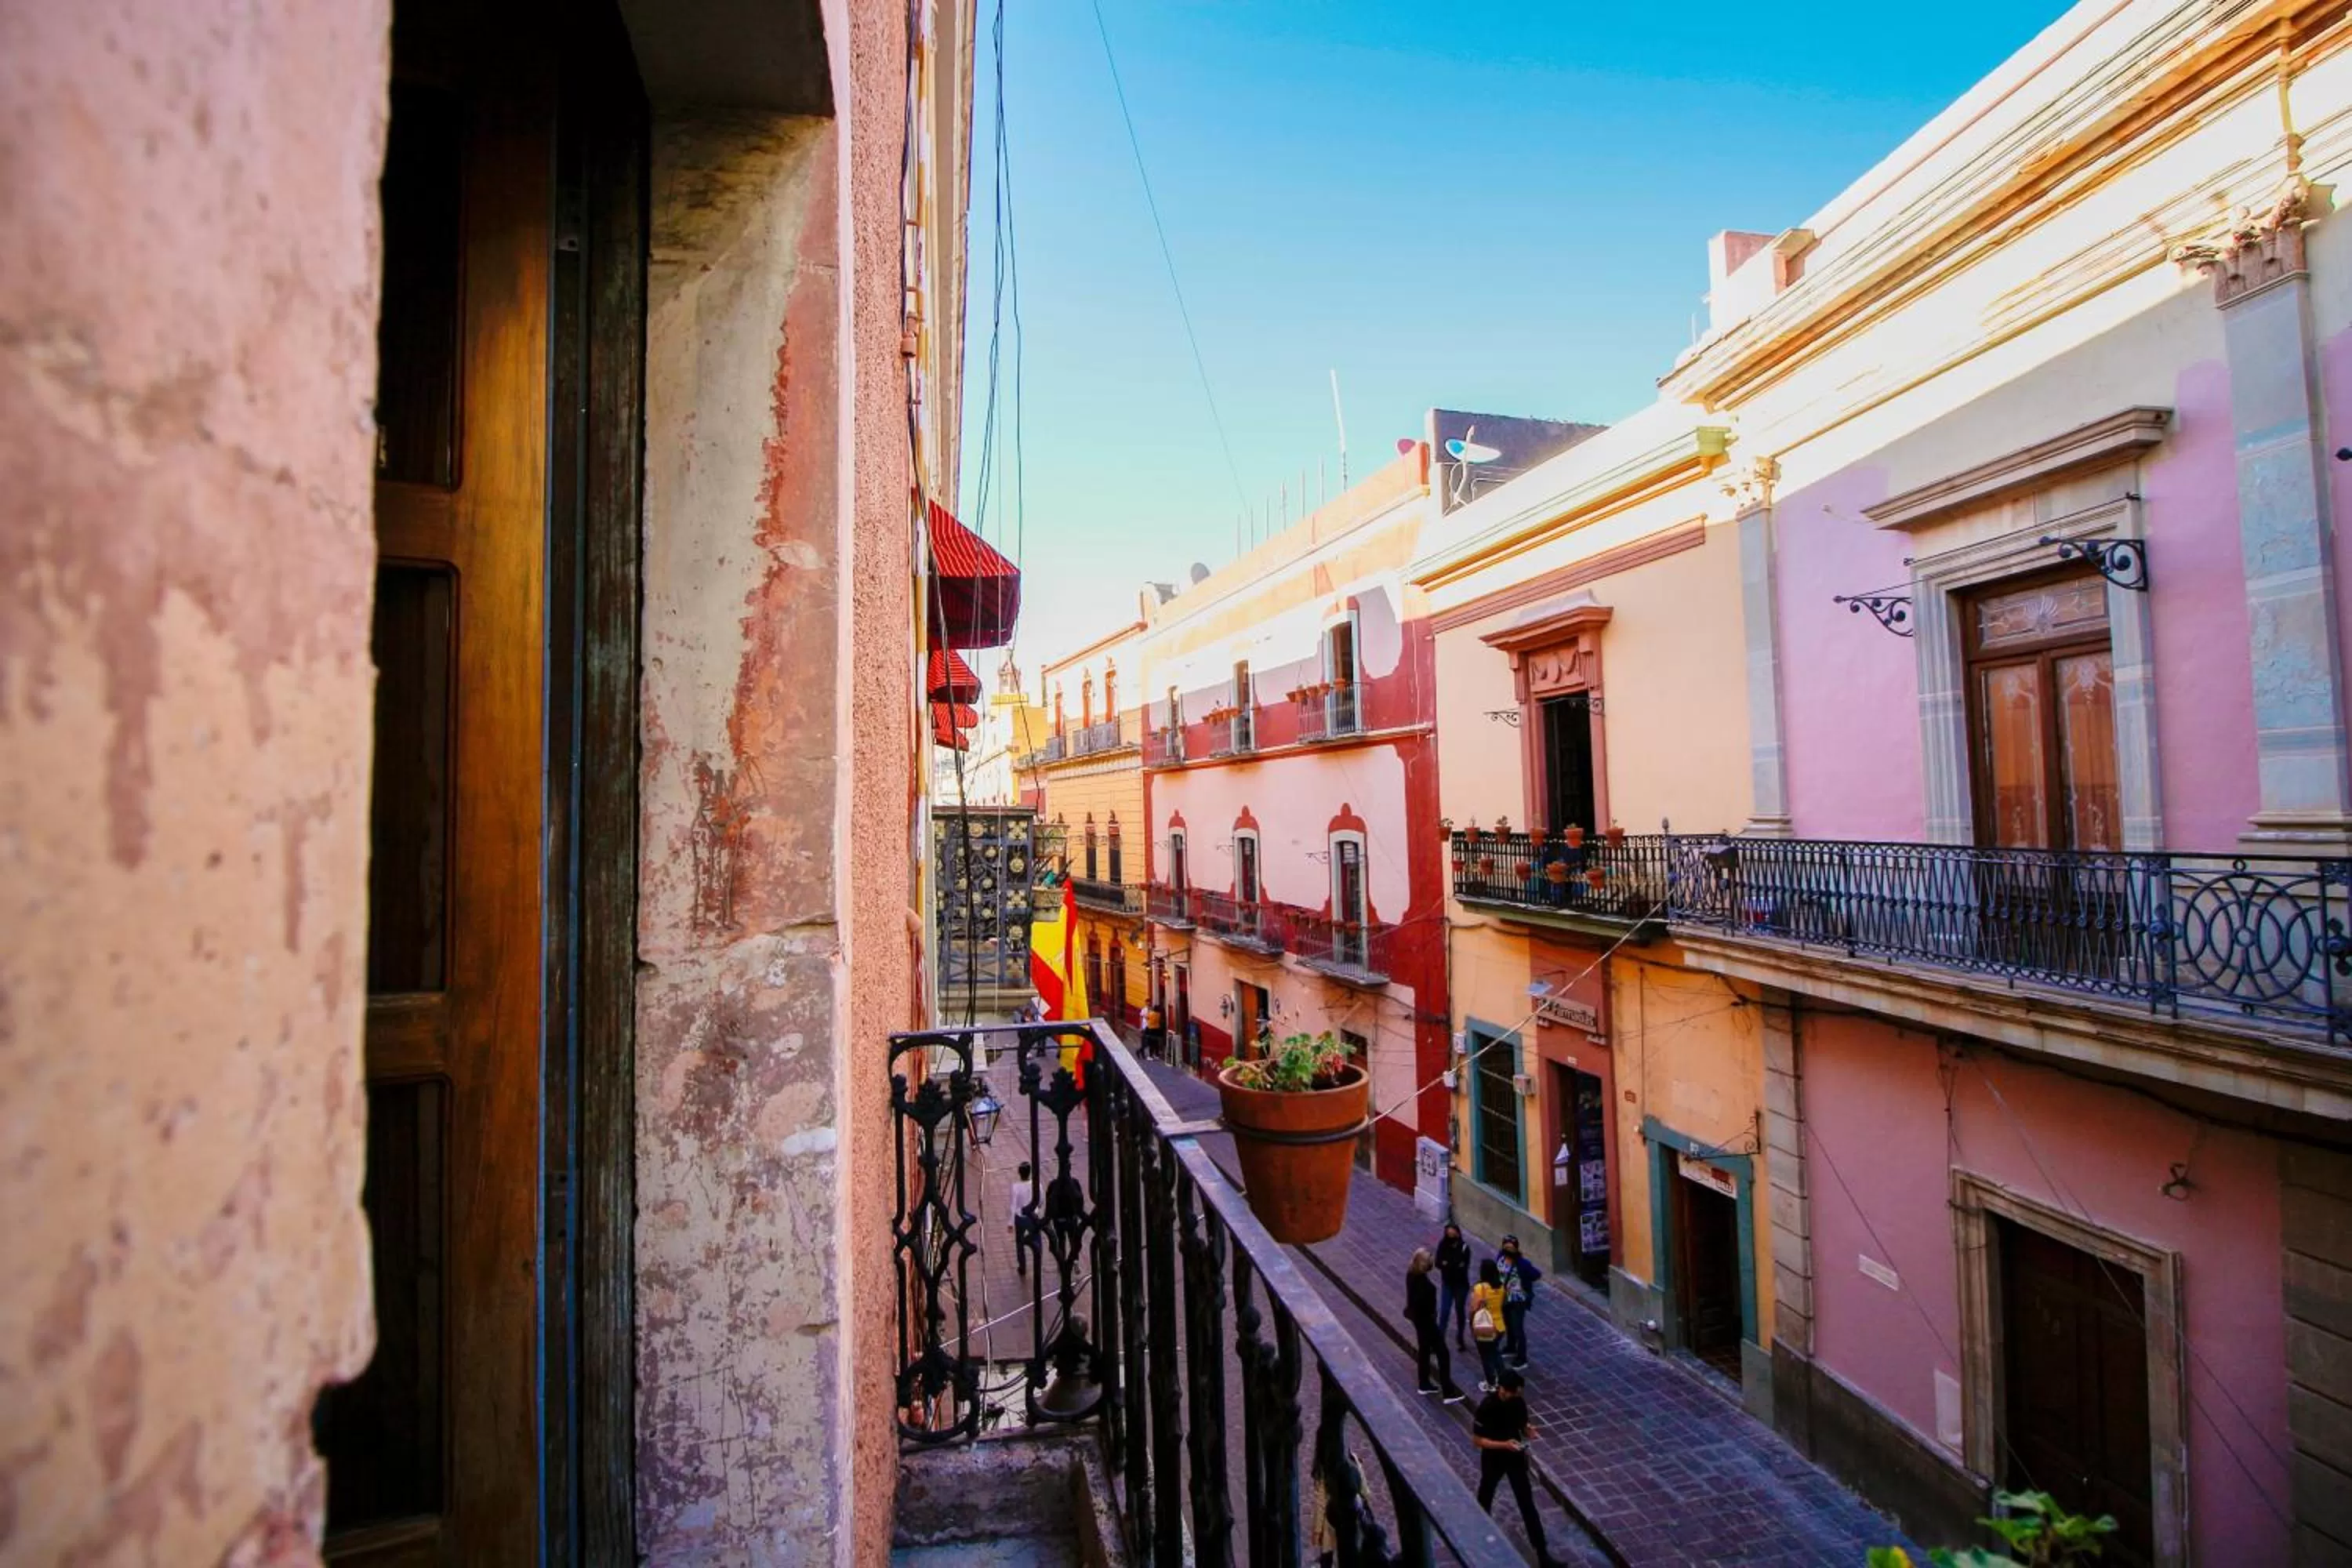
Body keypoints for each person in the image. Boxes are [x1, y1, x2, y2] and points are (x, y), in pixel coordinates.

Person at [1472, 1368, 1559, 1566]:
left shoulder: (1518, 1401)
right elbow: (1477, 1440)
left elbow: (1522, 1425)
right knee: (1486, 1494)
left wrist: (1529, 1431)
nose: (1516, 1395)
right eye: (1513, 1392)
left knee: (1527, 1503)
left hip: (1515, 1458)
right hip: (1493, 1458)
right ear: (1502, 1390)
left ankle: (1543, 1554)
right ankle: (1479, 1534)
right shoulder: (1487, 1407)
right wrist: (1504, 1445)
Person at [1403, 1248, 1466, 1403]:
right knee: (1443, 1353)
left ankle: (1424, 1383)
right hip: (1427, 1322)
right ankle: (1448, 1392)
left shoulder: (1410, 1276)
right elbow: (1428, 1307)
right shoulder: (1428, 1288)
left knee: (1424, 1349)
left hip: (1417, 1320)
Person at [1496, 1234, 1541, 1368]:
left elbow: (1536, 1274)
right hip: (1505, 1298)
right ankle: (1510, 1347)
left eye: (1511, 1247)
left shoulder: (1523, 1263)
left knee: (1517, 1328)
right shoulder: (1501, 1258)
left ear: (1516, 1249)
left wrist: (1525, 1284)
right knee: (1508, 1324)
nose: (1508, 1249)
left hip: (1518, 1300)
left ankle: (1522, 1358)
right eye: (1506, 1247)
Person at [1468, 1258, 1507, 1391]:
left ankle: (1491, 1383)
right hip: (1499, 1326)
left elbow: (1473, 1308)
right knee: (1495, 1353)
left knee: (1486, 1356)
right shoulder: (1501, 1287)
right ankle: (1503, 1379)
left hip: (1485, 1326)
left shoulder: (1480, 1288)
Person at [1434, 1222, 1472, 1348]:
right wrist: (1453, 1265)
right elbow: (1438, 1263)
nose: (1450, 1236)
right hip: (1448, 1284)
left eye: (1452, 1233)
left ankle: (1460, 1338)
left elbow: (1462, 1267)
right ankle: (1439, 1341)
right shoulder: (1443, 1245)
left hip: (1461, 1285)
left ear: (1458, 1233)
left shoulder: (1464, 1248)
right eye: (1448, 1234)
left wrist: (1448, 1264)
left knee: (1460, 1311)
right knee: (1444, 1311)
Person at [1007, 1160, 1034, 1278]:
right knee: (1036, 1239)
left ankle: (1022, 1266)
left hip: (1020, 1218)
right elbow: (1041, 1199)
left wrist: (1010, 1222)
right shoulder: (1036, 1185)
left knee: (1019, 1242)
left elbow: (1013, 1205)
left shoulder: (1016, 1187)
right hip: (1033, 1217)